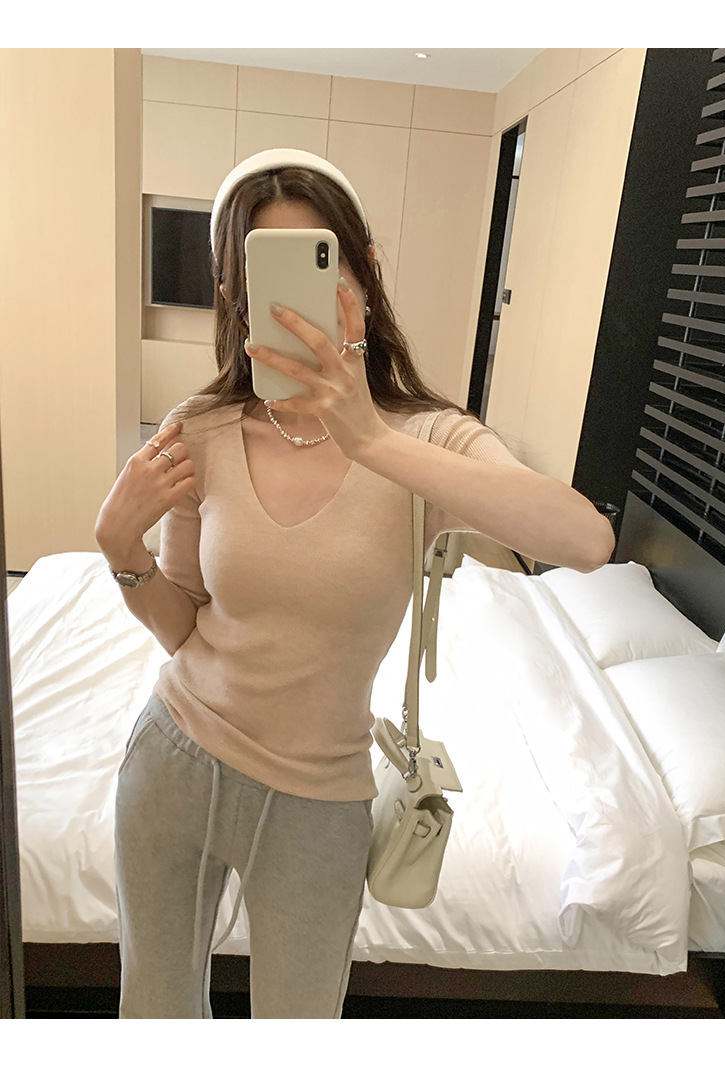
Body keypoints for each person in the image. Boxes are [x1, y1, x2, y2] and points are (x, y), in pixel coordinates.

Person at [95, 148, 612, 1020]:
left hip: (318, 800)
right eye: (261, 280)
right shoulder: (202, 428)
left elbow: (586, 541)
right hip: (173, 762)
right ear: (234, 297)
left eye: (317, 268)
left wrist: (370, 438)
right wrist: (121, 548)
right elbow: (184, 626)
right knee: (155, 1018)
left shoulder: (429, 441)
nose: (291, 308)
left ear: (362, 276)